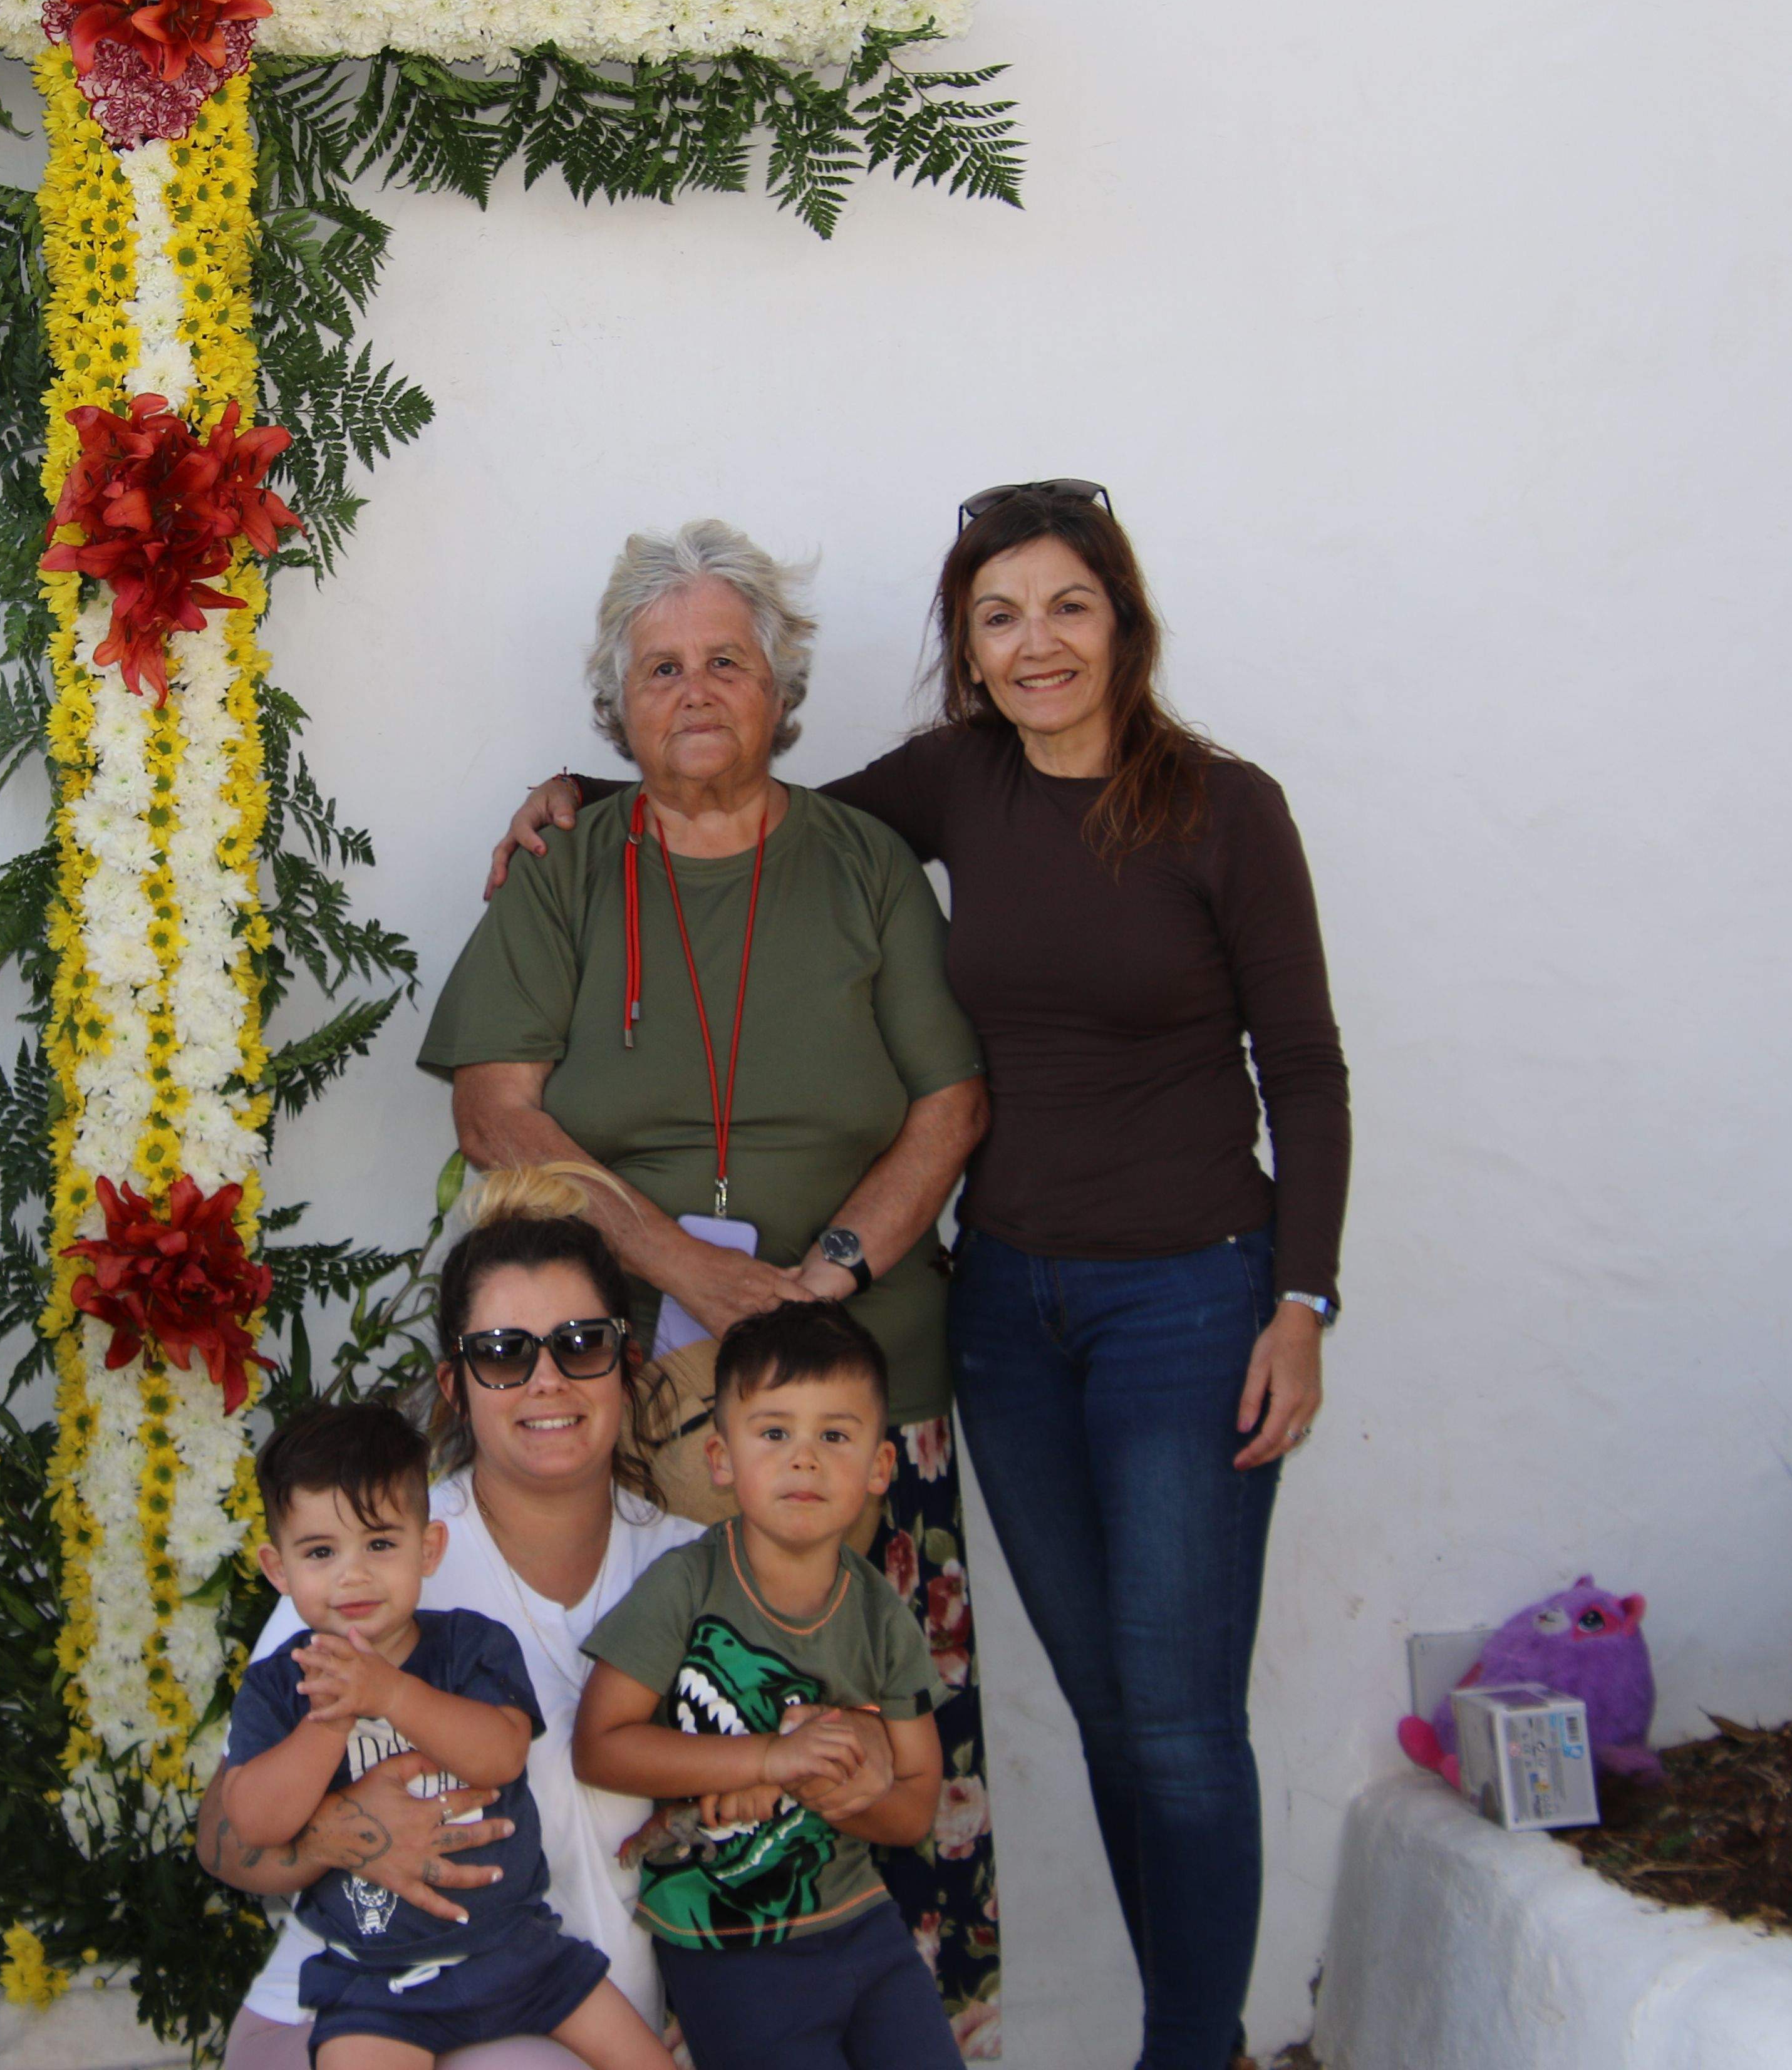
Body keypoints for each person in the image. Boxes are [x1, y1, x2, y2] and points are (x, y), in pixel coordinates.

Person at [494, 482, 1351, 2070]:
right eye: (998, 617)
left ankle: (1187, 2049)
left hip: (1186, 1294)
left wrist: (1298, 1299)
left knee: (1176, 1719)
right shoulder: (957, 785)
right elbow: (731, 771)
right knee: (1108, 1704)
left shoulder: (1224, 811)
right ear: (964, 647)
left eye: (1066, 608)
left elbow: (1299, 1065)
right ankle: (1198, 2042)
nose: (1035, 646)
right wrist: (573, 783)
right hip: (1009, 1307)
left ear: (1122, 621)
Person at [425, 522, 1000, 2049]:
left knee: (876, 1745)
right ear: (616, 703)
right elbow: (494, 1106)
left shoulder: (865, 866)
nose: (694, 690)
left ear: (778, 692)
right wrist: (682, 1268)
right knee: (648, 1748)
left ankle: (910, 2028)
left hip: (853, 1381)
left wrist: (819, 1278)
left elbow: (947, 1108)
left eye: (726, 663)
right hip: (624, 1391)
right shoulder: (568, 869)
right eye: (661, 665)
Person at [203, 1167, 750, 2070]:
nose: (546, 1380)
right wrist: (341, 1831)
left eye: (580, 1343)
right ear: (456, 1386)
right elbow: (221, 1840)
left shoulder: (697, 1570)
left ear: (628, 1362)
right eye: (504, 1352)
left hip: (562, 2007)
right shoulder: (373, 1559)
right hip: (354, 2011)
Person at [214, 1402, 674, 2070]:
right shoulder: (277, 1688)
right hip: (375, 1979)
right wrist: (334, 1716)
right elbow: (254, 1820)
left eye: (380, 1544)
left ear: (427, 1549)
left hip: (519, 1951)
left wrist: (391, 1692)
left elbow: (503, 1752)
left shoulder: (468, 1646)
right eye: (320, 1552)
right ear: (279, 1570)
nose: (353, 1575)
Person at [577, 1303, 950, 2070]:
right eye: (775, 1433)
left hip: (861, 1922)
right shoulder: (684, 1585)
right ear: (722, 1458)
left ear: (881, 1467)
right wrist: (770, 1760)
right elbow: (600, 1746)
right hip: (728, 1944)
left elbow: (914, 1809)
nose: (804, 1460)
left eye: (835, 1436)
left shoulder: (883, 1616)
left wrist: (837, 1783)